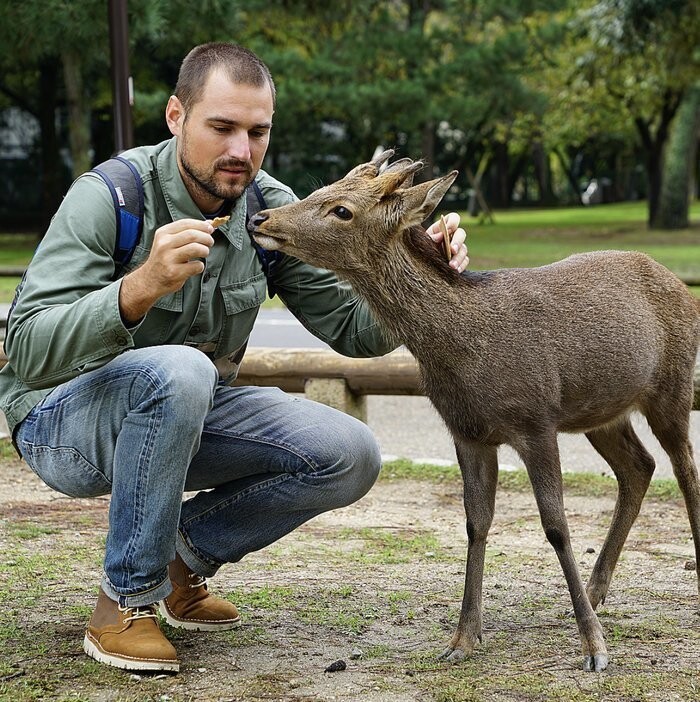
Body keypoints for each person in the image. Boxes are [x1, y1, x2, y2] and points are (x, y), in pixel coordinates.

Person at [0, 42, 468, 673]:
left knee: (349, 454)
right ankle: (123, 606)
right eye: (221, 127)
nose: (241, 151)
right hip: (62, 424)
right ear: (175, 117)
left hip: (186, 415)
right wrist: (136, 289)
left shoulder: (266, 208)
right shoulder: (111, 198)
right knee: (182, 369)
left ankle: (179, 563)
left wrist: (417, 274)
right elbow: (26, 349)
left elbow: (355, 331)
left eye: (257, 132)